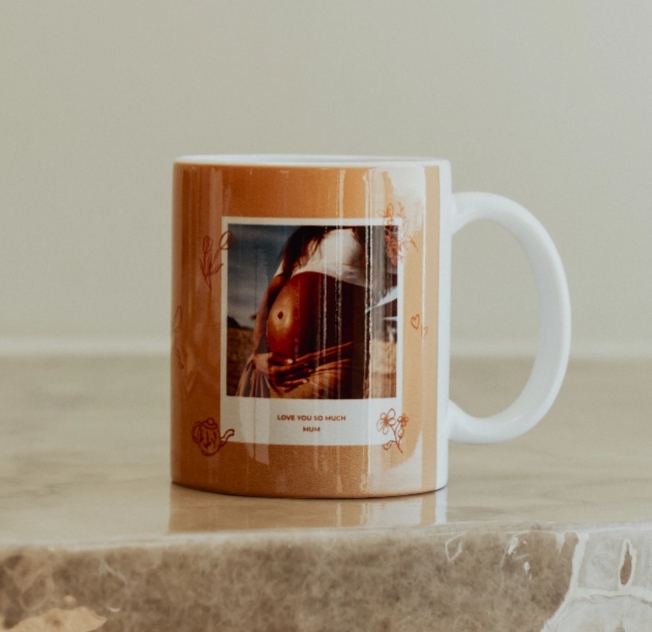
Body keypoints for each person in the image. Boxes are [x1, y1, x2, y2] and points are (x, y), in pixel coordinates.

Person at [236, 226, 368, 399]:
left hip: (332, 362)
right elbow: (271, 295)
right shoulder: (306, 237)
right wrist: (259, 355)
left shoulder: (369, 233)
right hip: (274, 368)